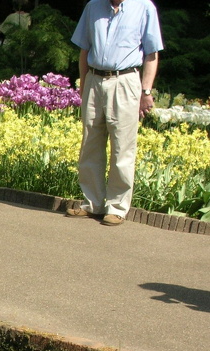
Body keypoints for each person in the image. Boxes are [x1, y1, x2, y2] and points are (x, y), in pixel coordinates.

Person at [67, 0, 163, 226]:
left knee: (123, 146)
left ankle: (117, 207)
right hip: (94, 79)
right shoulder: (93, 6)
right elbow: (85, 49)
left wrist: (146, 90)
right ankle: (92, 203)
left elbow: (151, 54)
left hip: (125, 80)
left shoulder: (144, 7)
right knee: (90, 143)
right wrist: (83, 85)